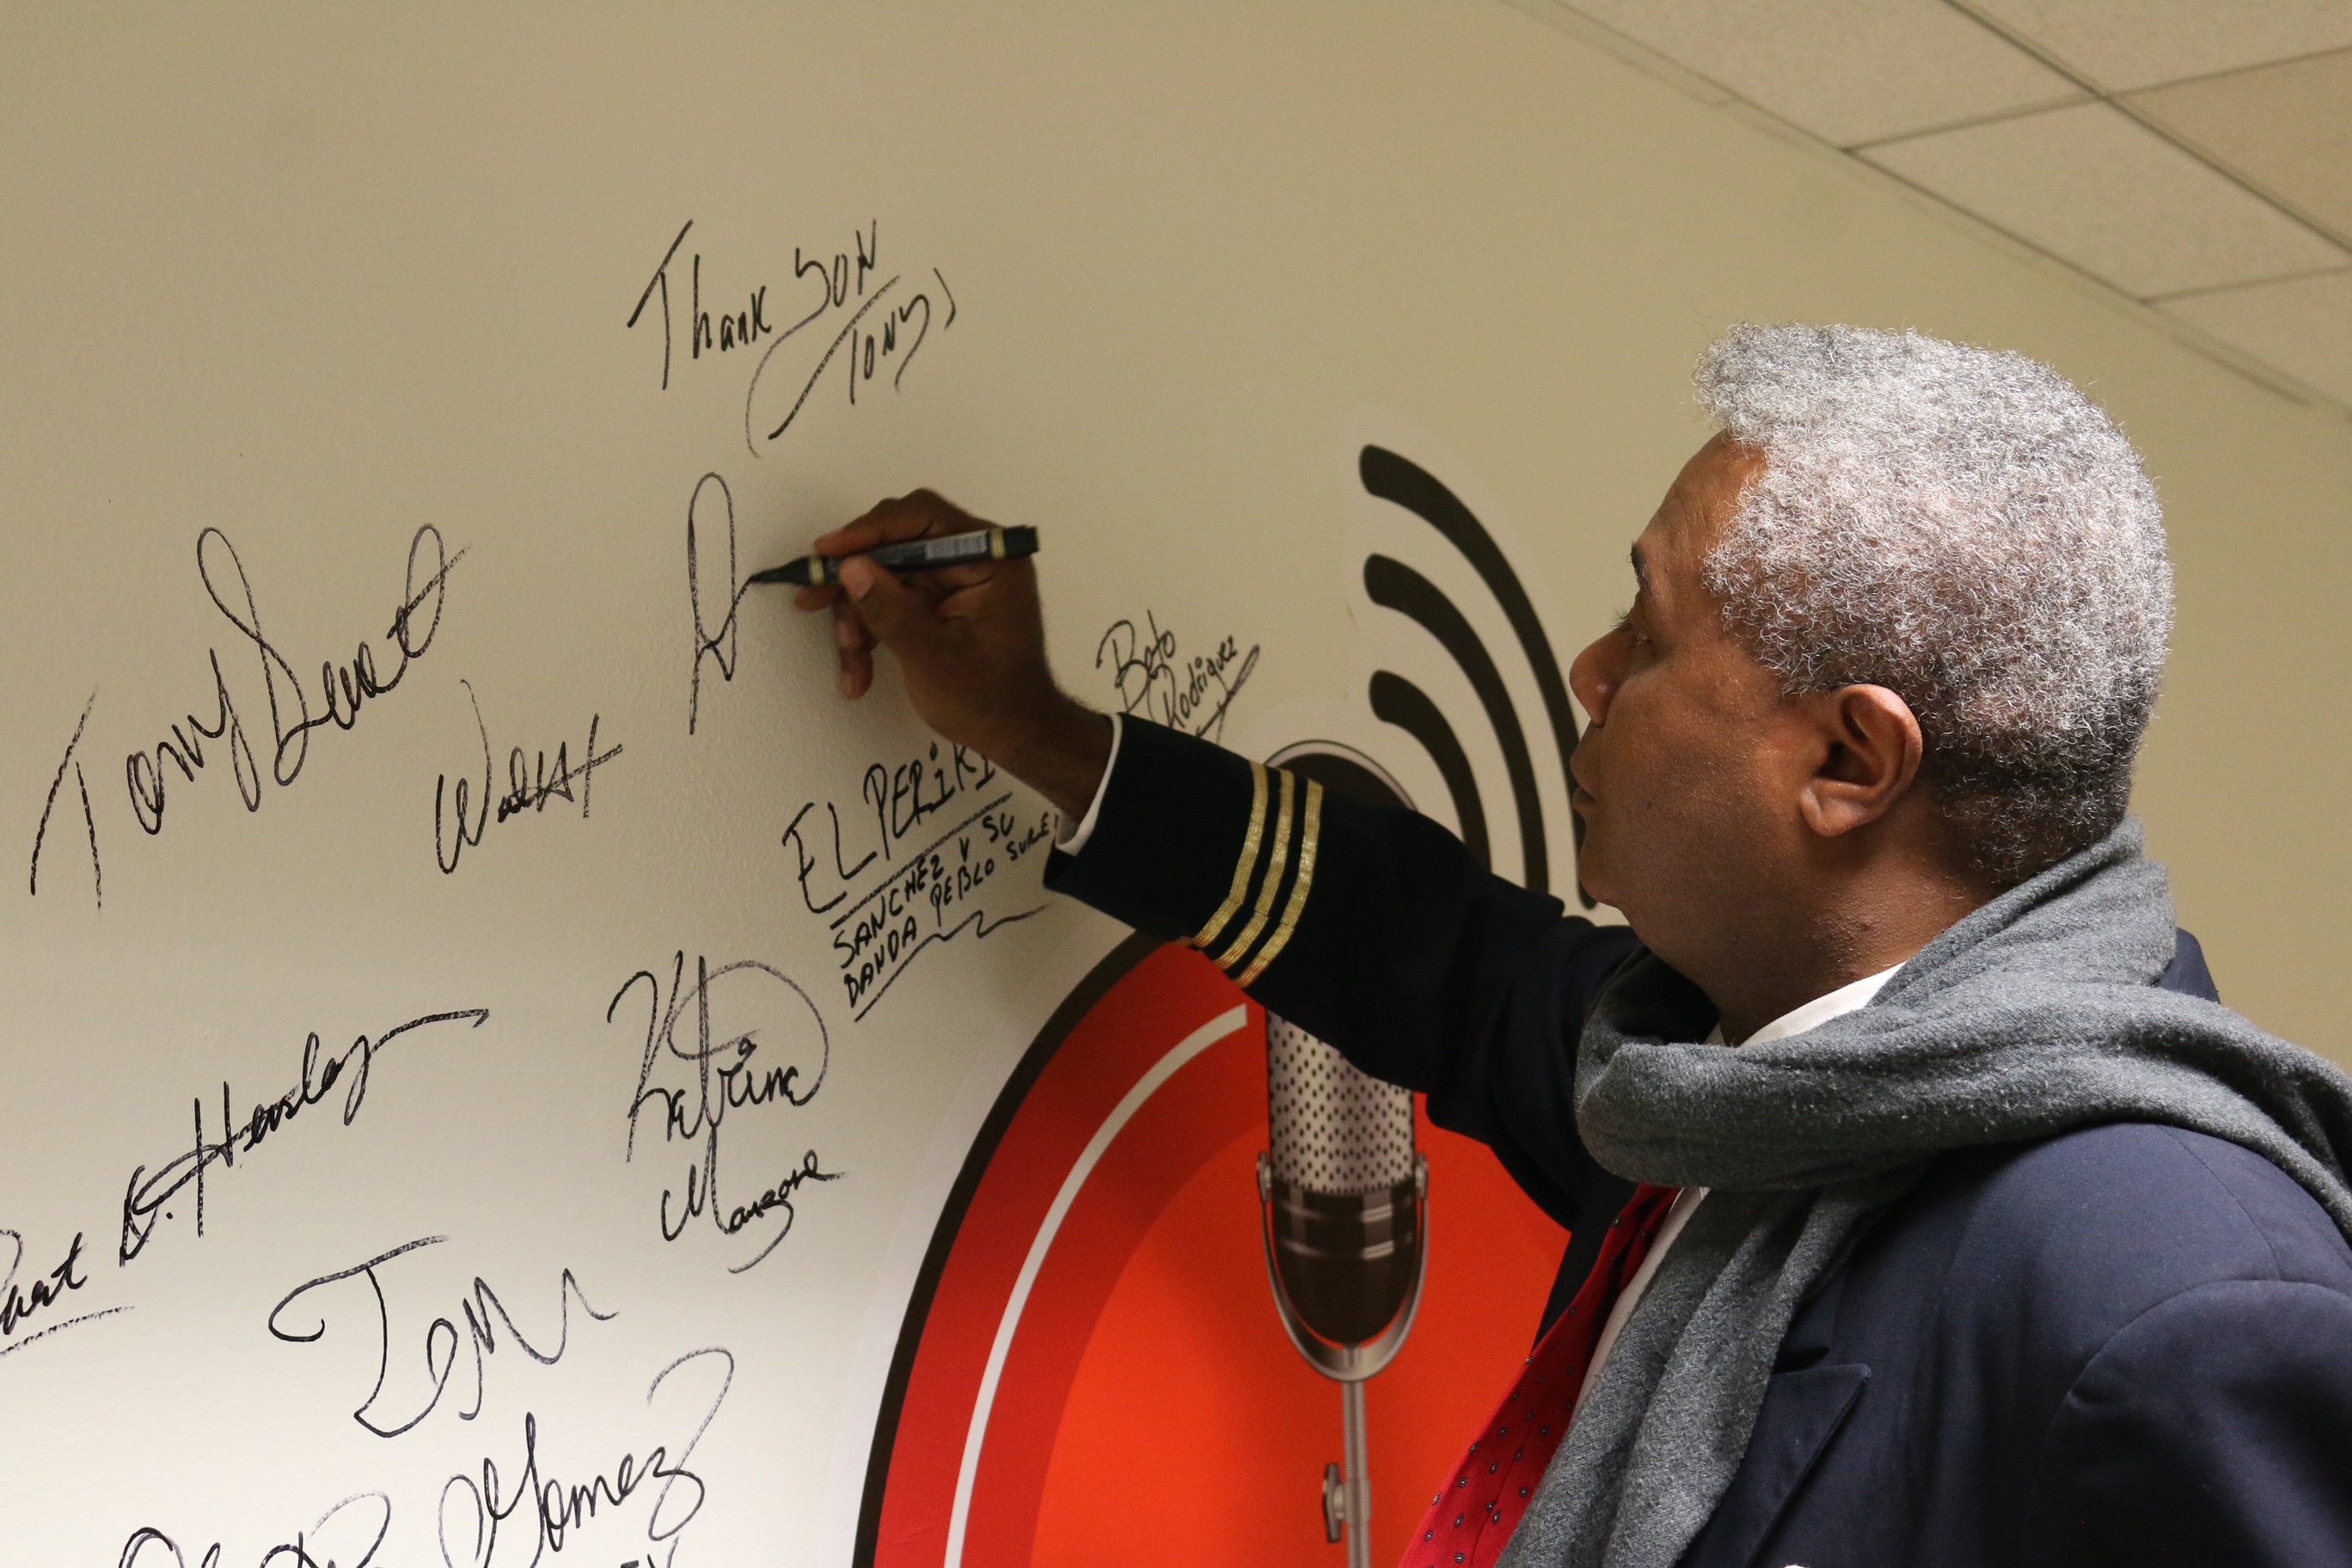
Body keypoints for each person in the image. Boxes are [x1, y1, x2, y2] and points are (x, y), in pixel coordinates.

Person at [793, 325, 2352, 1567]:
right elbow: (1427, 954)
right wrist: (1044, 734)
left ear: (1850, 767)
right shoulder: (1735, 1082)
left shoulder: (2171, 1289)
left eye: (1653, 630)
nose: (1591, 668)